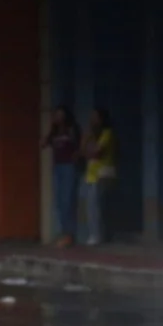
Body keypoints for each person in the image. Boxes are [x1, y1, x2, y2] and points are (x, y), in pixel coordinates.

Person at [43, 105, 80, 246]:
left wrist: (75, 160)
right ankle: (63, 232)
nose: (57, 117)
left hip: (69, 167)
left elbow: (78, 147)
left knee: (67, 201)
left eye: (60, 115)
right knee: (59, 201)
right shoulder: (54, 132)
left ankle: (69, 234)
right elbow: (44, 144)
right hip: (57, 167)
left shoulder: (71, 130)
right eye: (55, 115)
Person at [81, 107, 116, 246]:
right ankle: (94, 234)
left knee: (98, 207)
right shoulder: (92, 135)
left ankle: (98, 235)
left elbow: (97, 152)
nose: (92, 120)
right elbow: (83, 152)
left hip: (103, 174)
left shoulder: (107, 134)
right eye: (91, 117)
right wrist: (87, 142)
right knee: (91, 207)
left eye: (95, 117)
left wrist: (89, 146)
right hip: (91, 175)